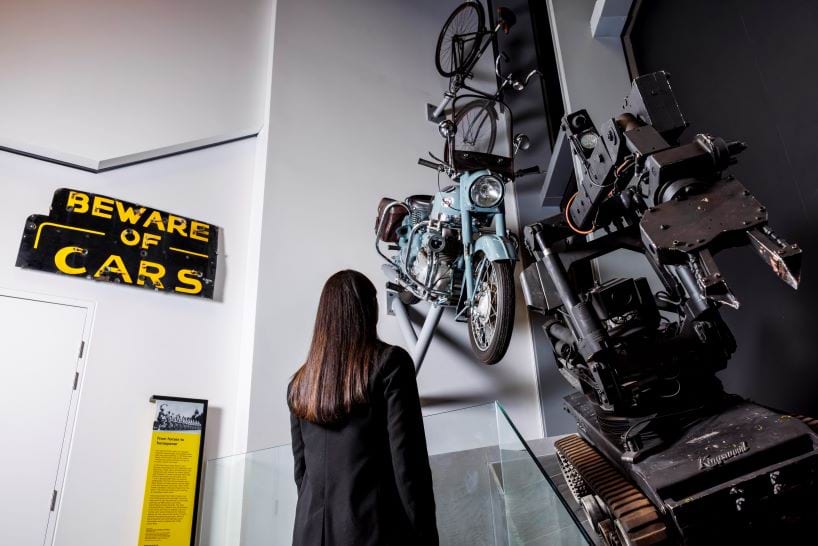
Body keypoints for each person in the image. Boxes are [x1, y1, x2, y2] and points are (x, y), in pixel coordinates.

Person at [288, 270, 439, 546]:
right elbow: (408, 463)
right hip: (372, 531)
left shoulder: (300, 384)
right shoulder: (390, 364)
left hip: (308, 534)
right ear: (369, 309)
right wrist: (426, 536)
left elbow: (302, 473)